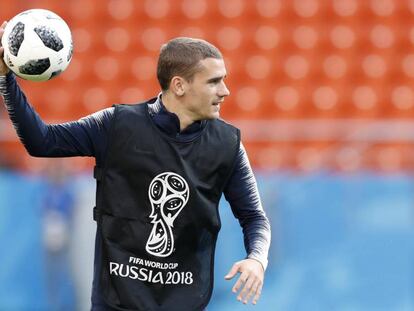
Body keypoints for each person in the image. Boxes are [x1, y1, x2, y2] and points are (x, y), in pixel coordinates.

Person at [0, 20, 271, 311]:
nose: (225, 91)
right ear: (179, 85)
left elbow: (254, 217)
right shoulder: (116, 125)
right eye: (214, 81)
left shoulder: (228, 145)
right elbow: (42, 141)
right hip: (115, 304)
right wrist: (6, 79)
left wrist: (257, 258)